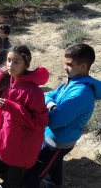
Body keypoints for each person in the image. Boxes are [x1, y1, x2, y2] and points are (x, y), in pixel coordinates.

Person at [23, 44, 101, 188]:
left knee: (31, 177)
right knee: (53, 169)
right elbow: (50, 94)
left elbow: (54, 120)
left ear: (83, 66)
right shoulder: (72, 80)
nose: (65, 67)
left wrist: (49, 106)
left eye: (69, 64)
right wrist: (52, 105)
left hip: (58, 142)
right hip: (55, 137)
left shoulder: (80, 93)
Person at [0, 45, 49, 188]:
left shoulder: (33, 91)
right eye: (9, 60)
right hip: (0, 138)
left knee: (13, 180)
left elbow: (40, 123)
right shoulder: (8, 82)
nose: (10, 65)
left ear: (26, 64)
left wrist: (12, 107)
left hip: (19, 146)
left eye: (16, 61)